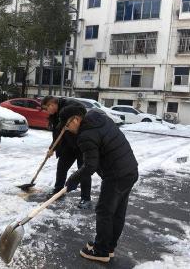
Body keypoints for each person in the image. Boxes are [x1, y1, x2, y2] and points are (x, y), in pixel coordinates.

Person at [59, 105, 139, 263]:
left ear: (76, 119)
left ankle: (101, 251)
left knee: (104, 211)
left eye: (67, 125)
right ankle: (107, 247)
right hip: (130, 170)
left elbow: (90, 165)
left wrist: (73, 180)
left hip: (116, 174)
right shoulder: (98, 118)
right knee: (116, 212)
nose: (67, 129)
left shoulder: (85, 135)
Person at [41, 96, 91, 209]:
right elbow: (57, 134)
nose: (46, 111)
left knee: (83, 171)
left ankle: (86, 198)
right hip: (68, 146)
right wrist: (52, 149)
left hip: (81, 144)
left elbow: (82, 110)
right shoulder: (54, 115)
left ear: (51, 105)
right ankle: (58, 191)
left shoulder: (70, 104)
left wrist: (69, 120)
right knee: (62, 167)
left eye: (46, 108)